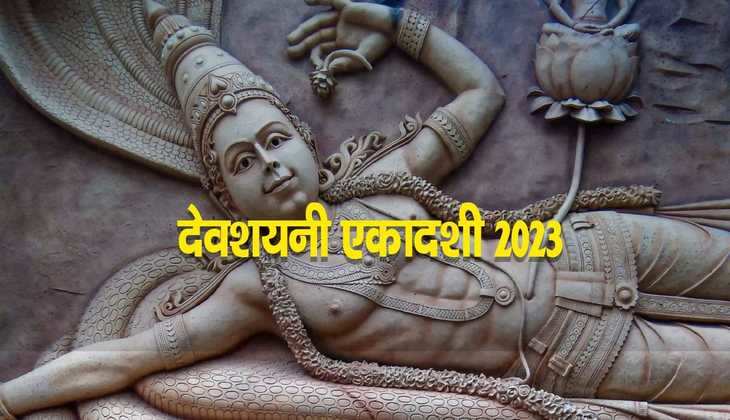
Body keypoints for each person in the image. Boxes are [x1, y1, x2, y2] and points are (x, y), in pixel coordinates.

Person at [1, 0, 728, 418]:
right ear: (225, 198)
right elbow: (121, 359)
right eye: (243, 163)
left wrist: (394, 23)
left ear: (305, 139)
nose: (271, 165)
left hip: (599, 246)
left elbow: (480, 95)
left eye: (277, 140)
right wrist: (8, 401)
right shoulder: (258, 289)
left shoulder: (379, 178)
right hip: (574, 354)